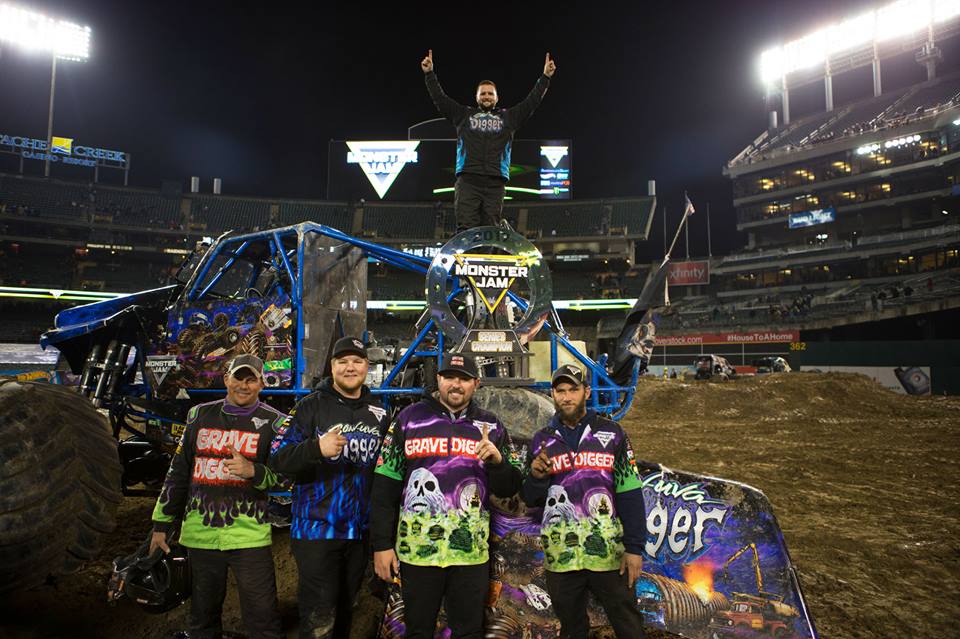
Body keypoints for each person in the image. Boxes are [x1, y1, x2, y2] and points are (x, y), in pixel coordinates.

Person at [371, 352, 522, 638]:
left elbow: (510, 487)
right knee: (418, 630)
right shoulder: (408, 419)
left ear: (476, 383)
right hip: (418, 553)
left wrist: (498, 463)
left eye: (464, 379)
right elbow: (384, 487)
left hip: (470, 554)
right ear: (438, 379)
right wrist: (381, 545)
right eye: (449, 377)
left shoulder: (492, 426)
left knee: (469, 631)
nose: (456, 384)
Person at [150, 354, 286, 639]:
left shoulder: (275, 423)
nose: (244, 385)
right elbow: (178, 472)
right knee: (202, 619)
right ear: (226, 379)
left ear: (262, 383)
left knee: (264, 620)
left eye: (252, 379)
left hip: (249, 535)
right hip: (201, 534)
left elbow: (286, 477)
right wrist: (161, 525)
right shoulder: (199, 416)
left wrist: (255, 471)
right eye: (238, 378)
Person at [268, 336, 389, 639]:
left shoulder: (379, 413)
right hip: (316, 532)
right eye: (343, 361)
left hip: (359, 534)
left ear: (366, 366)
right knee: (319, 617)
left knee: (347, 611)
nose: (350, 367)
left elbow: (386, 472)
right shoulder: (309, 407)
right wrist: (315, 449)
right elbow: (278, 458)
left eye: (357, 361)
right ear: (332, 367)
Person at [522, 364, 646, 639]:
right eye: (560, 391)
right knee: (571, 628)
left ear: (587, 392)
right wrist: (537, 477)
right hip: (562, 556)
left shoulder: (613, 434)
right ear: (553, 394)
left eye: (573, 390)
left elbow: (630, 492)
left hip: (609, 555)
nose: (566, 397)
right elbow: (531, 498)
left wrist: (634, 547)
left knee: (628, 624)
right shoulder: (542, 439)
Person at [421, 49, 557, 231]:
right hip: (468, 180)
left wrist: (545, 77)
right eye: (483, 93)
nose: (486, 96)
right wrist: (429, 74)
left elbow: (531, 102)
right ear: (476, 97)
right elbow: (440, 99)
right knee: (466, 229)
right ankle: (467, 260)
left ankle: (486, 258)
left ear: (497, 97)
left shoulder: (509, 117)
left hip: (495, 183)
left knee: (490, 230)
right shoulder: (463, 115)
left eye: (490, 94)